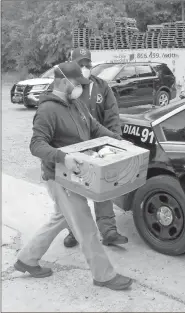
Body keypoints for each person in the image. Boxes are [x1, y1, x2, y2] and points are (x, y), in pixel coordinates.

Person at [13, 61, 133, 290]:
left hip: (76, 174)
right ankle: (103, 275)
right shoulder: (47, 109)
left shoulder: (75, 103)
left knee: (61, 218)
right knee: (85, 225)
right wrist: (62, 157)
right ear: (63, 81)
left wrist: (118, 140)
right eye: (77, 83)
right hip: (60, 177)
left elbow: (95, 128)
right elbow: (36, 145)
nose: (81, 88)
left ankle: (26, 259)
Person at [61, 47, 127, 248]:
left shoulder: (102, 87)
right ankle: (74, 230)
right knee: (74, 192)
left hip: (99, 148)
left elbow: (112, 116)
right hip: (73, 149)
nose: (84, 67)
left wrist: (115, 143)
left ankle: (109, 231)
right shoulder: (63, 87)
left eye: (87, 64)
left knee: (102, 189)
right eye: (79, 64)